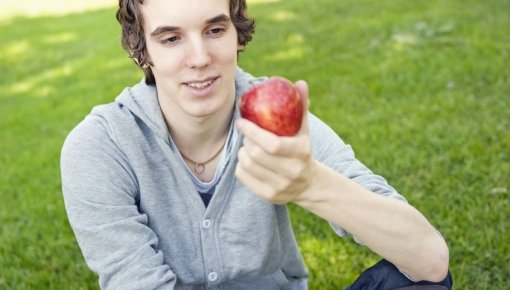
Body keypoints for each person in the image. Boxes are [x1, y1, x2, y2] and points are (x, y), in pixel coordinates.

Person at [60, 0, 452, 289]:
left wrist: (310, 185)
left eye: (215, 30)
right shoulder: (99, 147)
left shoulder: (277, 119)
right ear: (141, 48)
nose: (199, 58)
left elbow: (430, 260)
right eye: (171, 38)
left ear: (237, 33)